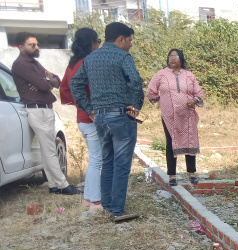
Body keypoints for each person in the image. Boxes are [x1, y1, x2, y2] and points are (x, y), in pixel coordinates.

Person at [70, 22, 143, 222]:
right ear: (121, 39)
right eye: (130, 40)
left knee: (108, 162)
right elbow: (135, 81)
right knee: (121, 164)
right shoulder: (123, 56)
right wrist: (137, 105)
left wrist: (88, 108)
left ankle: (108, 205)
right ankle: (118, 210)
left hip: (100, 117)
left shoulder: (90, 58)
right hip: (120, 116)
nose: (131, 44)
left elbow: (75, 84)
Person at [11, 32, 83, 195]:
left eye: (37, 44)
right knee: (50, 149)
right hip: (37, 110)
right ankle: (63, 185)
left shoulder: (34, 63)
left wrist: (46, 81)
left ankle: (54, 185)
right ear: (21, 47)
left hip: (45, 109)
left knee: (47, 149)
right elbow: (44, 85)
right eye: (32, 45)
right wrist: (45, 82)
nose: (36, 47)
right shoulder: (20, 64)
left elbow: (57, 80)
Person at [146, 49, 204, 186]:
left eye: (176, 56)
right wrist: (162, 100)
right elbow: (150, 91)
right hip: (169, 116)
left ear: (181, 59)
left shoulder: (189, 75)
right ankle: (172, 176)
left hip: (187, 115)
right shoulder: (161, 74)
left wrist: (194, 100)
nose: (172, 58)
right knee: (171, 142)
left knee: (190, 140)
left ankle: (192, 173)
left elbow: (199, 93)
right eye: (170, 56)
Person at [60, 28, 103, 210]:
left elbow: (64, 89)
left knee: (95, 159)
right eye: (98, 41)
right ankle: (95, 201)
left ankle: (88, 198)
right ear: (92, 44)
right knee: (97, 160)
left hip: (82, 118)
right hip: (91, 118)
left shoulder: (73, 64)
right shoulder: (88, 63)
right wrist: (88, 107)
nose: (99, 45)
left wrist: (78, 104)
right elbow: (94, 89)